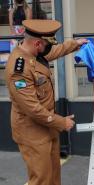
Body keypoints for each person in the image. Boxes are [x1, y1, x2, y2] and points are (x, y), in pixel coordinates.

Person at [5, 19, 88, 185]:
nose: (48, 48)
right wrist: (61, 122)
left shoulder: (35, 54)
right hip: (32, 132)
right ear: (37, 43)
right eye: (46, 45)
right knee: (41, 179)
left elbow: (54, 51)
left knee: (53, 177)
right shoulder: (19, 70)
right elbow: (32, 108)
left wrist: (74, 44)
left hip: (46, 127)